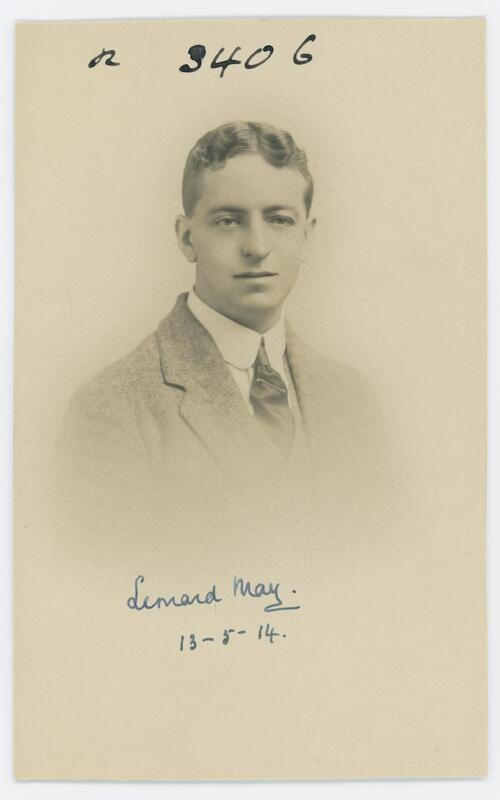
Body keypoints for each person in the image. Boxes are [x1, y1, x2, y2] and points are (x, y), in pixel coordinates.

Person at [57, 121, 387, 544]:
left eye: (280, 220)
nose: (257, 247)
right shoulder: (112, 408)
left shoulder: (354, 401)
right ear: (187, 238)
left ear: (307, 237)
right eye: (229, 221)